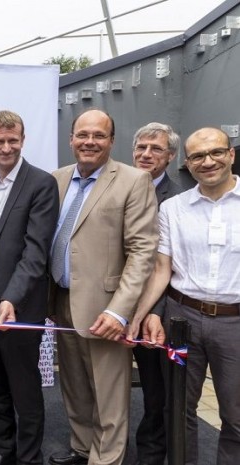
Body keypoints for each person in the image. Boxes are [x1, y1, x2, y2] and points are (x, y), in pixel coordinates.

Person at [48, 109, 158, 465]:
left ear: (111, 141)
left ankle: (106, 459)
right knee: (75, 387)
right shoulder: (57, 179)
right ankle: (82, 449)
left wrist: (119, 311)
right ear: (71, 140)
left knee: (109, 394)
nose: (89, 142)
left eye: (98, 135)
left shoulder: (133, 180)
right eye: (82, 135)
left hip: (106, 308)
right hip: (61, 300)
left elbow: (142, 252)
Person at [135, 127, 240, 465]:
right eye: (197, 156)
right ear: (187, 163)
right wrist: (135, 318)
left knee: (236, 416)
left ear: (231, 155)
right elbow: (161, 270)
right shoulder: (174, 208)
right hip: (182, 322)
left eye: (216, 153)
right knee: (178, 409)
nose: (207, 162)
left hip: (234, 325)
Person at [0, 110, 59, 465]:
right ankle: (4, 448)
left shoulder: (41, 183)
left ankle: (28, 456)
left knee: (24, 386)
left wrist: (10, 296)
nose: (6, 147)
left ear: (22, 141)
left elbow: (36, 252)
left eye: (13, 140)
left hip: (19, 302)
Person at [128, 122, 184, 465]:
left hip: (155, 315)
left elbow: (172, 267)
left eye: (156, 149)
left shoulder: (177, 200)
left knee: (156, 391)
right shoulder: (121, 187)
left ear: (171, 156)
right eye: (142, 147)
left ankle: (151, 454)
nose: (147, 154)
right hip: (116, 307)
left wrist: (152, 312)